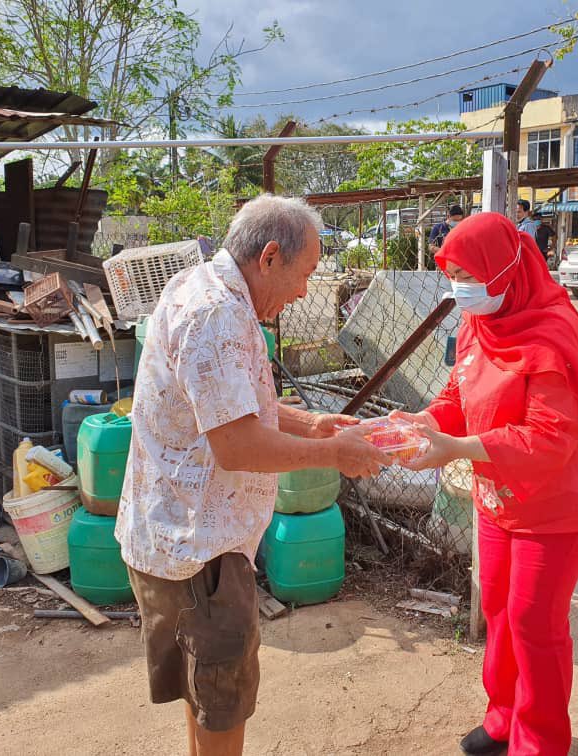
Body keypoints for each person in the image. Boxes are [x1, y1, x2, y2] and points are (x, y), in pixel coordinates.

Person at [116, 194, 390, 756]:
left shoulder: (203, 288)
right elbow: (237, 445)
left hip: (177, 533)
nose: (304, 291)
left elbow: (229, 404)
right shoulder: (218, 315)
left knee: (206, 695)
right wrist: (336, 453)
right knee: (223, 701)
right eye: (306, 273)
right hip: (200, 552)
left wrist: (311, 422)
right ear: (269, 257)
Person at [392, 212, 578, 755]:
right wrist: (424, 422)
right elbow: (459, 394)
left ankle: (539, 741)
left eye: (470, 276)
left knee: (534, 621)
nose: (460, 289)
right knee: (495, 603)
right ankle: (503, 716)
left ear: (508, 271)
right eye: (454, 274)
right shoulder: (479, 322)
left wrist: (458, 449)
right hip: (500, 493)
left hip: (559, 499)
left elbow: (548, 439)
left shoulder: (554, 333)